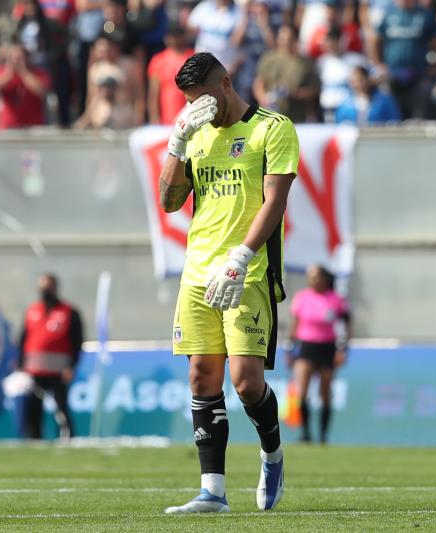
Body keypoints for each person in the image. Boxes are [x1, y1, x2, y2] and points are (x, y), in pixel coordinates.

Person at [160, 52, 299, 514]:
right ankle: (213, 492)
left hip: (249, 269)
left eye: (202, 100)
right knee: (202, 376)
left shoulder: (272, 128)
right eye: (189, 103)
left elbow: (275, 200)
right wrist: (178, 144)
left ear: (226, 82)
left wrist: (241, 256)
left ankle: (272, 454)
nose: (197, 109)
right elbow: (169, 201)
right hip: (198, 270)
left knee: (245, 382)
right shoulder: (195, 135)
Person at [286, 265, 350, 444]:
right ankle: (306, 434)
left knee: (325, 393)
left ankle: (323, 436)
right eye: (310, 277)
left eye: (316, 276)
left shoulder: (336, 300)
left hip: (327, 348)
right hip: (306, 347)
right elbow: (295, 324)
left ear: (325, 279)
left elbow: (346, 325)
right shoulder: (302, 297)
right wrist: (290, 348)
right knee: (302, 391)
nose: (312, 280)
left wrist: (343, 349)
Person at [17, 273, 83, 440]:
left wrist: (72, 366)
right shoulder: (32, 310)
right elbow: (23, 339)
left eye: (48, 285)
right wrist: (20, 365)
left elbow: (77, 341)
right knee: (33, 408)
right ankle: (34, 438)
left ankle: (67, 437)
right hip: (34, 370)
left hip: (58, 371)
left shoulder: (68, 312)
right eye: (42, 286)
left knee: (60, 407)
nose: (45, 289)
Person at [254, 24, 321, 122]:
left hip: (295, 117)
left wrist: (294, 94)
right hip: (269, 117)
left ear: (295, 40)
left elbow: (314, 91)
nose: (285, 42)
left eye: (288, 39)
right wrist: (265, 100)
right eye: (282, 39)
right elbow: (258, 84)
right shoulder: (268, 59)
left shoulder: (306, 63)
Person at [0, 42, 50, 129]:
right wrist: (7, 76)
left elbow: (42, 92)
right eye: (12, 58)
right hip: (9, 125)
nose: (16, 61)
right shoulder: (2, 72)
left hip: (33, 126)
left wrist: (24, 72)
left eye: (20, 58)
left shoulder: (38, 73)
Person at [147, 22, 194, 125]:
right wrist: (155, 120)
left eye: (177, 36)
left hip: (191, 120)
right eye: (171, 37)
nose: (174, 40)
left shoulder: (194, 58)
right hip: (166, 121)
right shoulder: (158, 60)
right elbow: (153, 94)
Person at [335, 65, 401, 124]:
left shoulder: (384, 100)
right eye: (353, 81)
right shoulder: (345, 105)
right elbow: (340, 126)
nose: (357, 84)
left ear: (367, 79)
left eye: (360, 80)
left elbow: (394, 121)